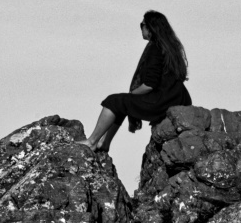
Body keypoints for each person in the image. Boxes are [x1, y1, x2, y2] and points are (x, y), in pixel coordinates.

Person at [78, 10, 191, 152]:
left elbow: (149, 85)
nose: (141, 28)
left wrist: (132, 94)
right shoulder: (169, 47)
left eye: (142, 25)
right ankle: (104, 143)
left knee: (113, 101)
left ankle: (92, 142)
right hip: (176, 97)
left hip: (163, 100)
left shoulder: (155, 48)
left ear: (150, 27)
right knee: (121, 102)